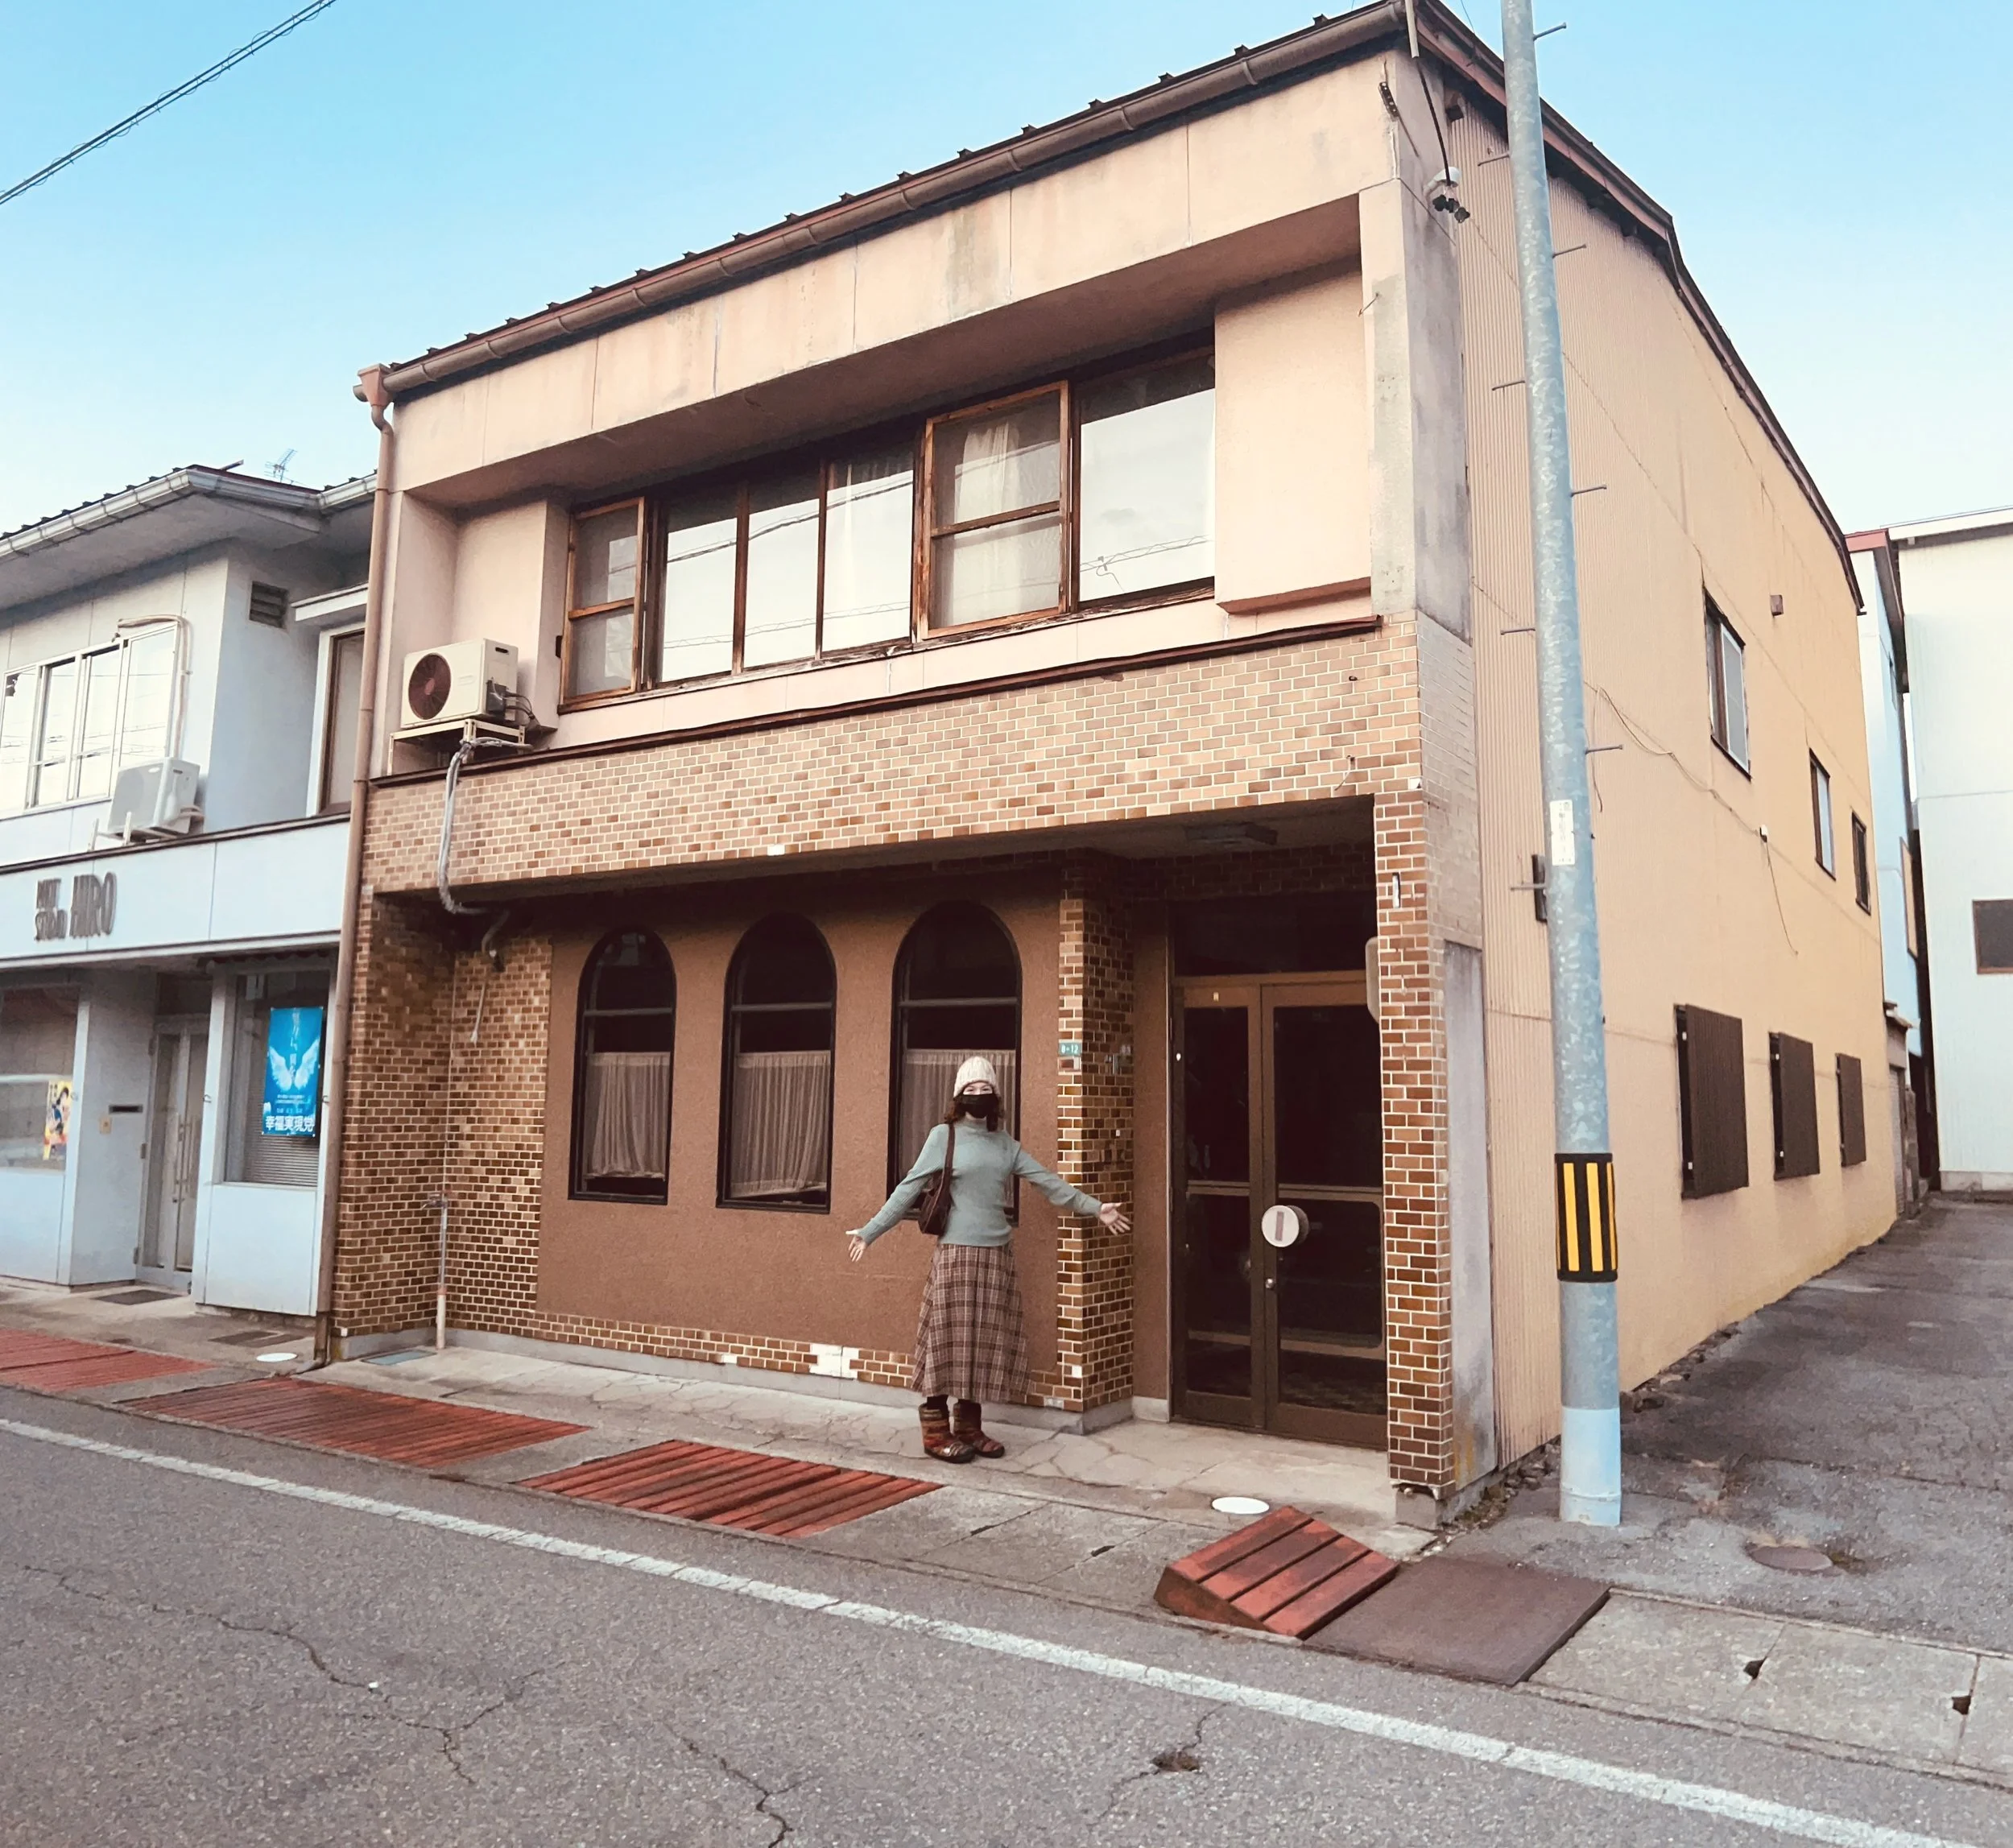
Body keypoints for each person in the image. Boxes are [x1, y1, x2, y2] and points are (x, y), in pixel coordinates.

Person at [846, 1056, 1131, 1463]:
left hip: (997, 1255)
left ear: (996, 1096)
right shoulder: (943, 1137)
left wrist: (1095, 1207)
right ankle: (935, 1432)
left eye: (986, 1090)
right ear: (958, 1096)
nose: (979, 1095)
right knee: (947, 1342)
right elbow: (908, 1189)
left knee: (982, 1344)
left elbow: (1047, 1182)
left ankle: (968, 1428)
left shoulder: (1004, 1144)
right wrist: (869, 1231)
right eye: (971, 1090)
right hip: (956, 1255)